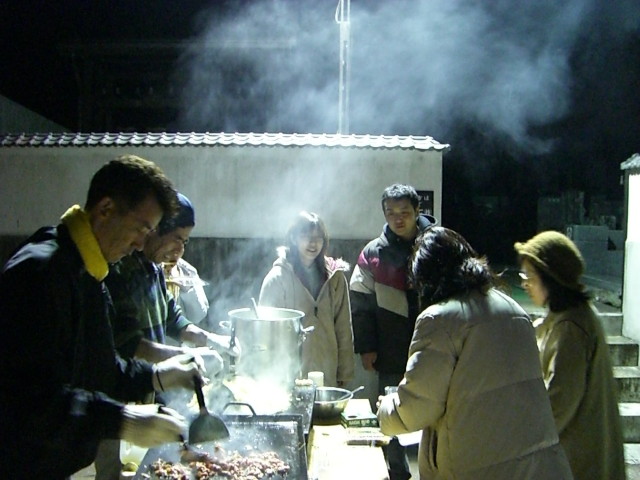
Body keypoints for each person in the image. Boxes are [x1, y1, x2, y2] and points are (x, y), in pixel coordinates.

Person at [0, 155, 208, 479]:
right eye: (141, 228)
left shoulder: (91, 272)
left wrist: (156, 376)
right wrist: (124, 420)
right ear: (106, 208)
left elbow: (101, 369)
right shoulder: (41, 273)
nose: (140, 244)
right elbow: (30, 402)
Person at [377, 227, 574, 480]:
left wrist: (386, 409)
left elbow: (415, 409)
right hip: (540, 467)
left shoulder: (439, 319)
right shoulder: (514, 309)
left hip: (480, 469)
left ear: (426, 279)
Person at [95, 192, 234, 480]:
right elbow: (132, 345)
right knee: (113, 470)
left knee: (154, 463)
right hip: (116, 394)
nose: (180, 248)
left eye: (186, 242)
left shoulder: (155, 269)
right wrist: (187, 356)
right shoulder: (119, 270)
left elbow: (174, 319)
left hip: (151, 384)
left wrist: (210, 339)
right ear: (155, 229)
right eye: (177, 238)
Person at [515, 230, 625, 480]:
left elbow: (557, 405)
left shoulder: (571, 329)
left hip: (578, 462)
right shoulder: (568, 316)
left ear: (551, 279)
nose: (525, 283)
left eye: (530, 276)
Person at [349, 183, 436, 480]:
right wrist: (367, 346)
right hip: (390, 345)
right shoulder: (373, 253)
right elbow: (360, 303)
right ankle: (397, 472)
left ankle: (434, 470)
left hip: (435, 346)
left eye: (404, 212)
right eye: (391, 213)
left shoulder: (436, 245)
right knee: (391, 411)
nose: (398, 219)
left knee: (435, 409)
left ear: (417, 211)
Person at [258, 211, 354, 387]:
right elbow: (265, 331)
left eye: (318, 238)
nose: (313, 243)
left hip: (326, 368)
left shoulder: (335, 277)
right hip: (287, 372)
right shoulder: (278, 278)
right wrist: (266, 372)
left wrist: (344, 371)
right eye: (306, 237)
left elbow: (343, 327)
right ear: (293, 238)